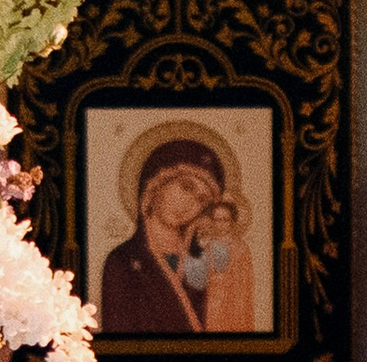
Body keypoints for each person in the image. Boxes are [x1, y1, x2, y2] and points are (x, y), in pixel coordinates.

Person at [99, 137, 255, 335]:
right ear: (156, 184)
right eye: (186, 187)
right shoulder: (121, 261)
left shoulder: (203, 259)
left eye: (201, 199)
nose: (190, 204)